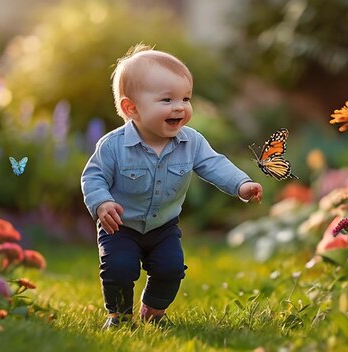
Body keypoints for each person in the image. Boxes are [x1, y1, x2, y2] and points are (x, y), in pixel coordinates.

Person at [81, 44, 263, 329]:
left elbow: (215, 165)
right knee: (118, 269)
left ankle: (153, 312)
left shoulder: (191, 142)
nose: (179, 107)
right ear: (131, 108)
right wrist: (102, 202)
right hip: (120, 225)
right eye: (167, 100)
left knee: (171, 268)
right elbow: (93, 176)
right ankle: (119, 316)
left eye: (185, 98)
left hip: (163, 226)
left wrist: (242, 184)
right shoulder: (113, 146)